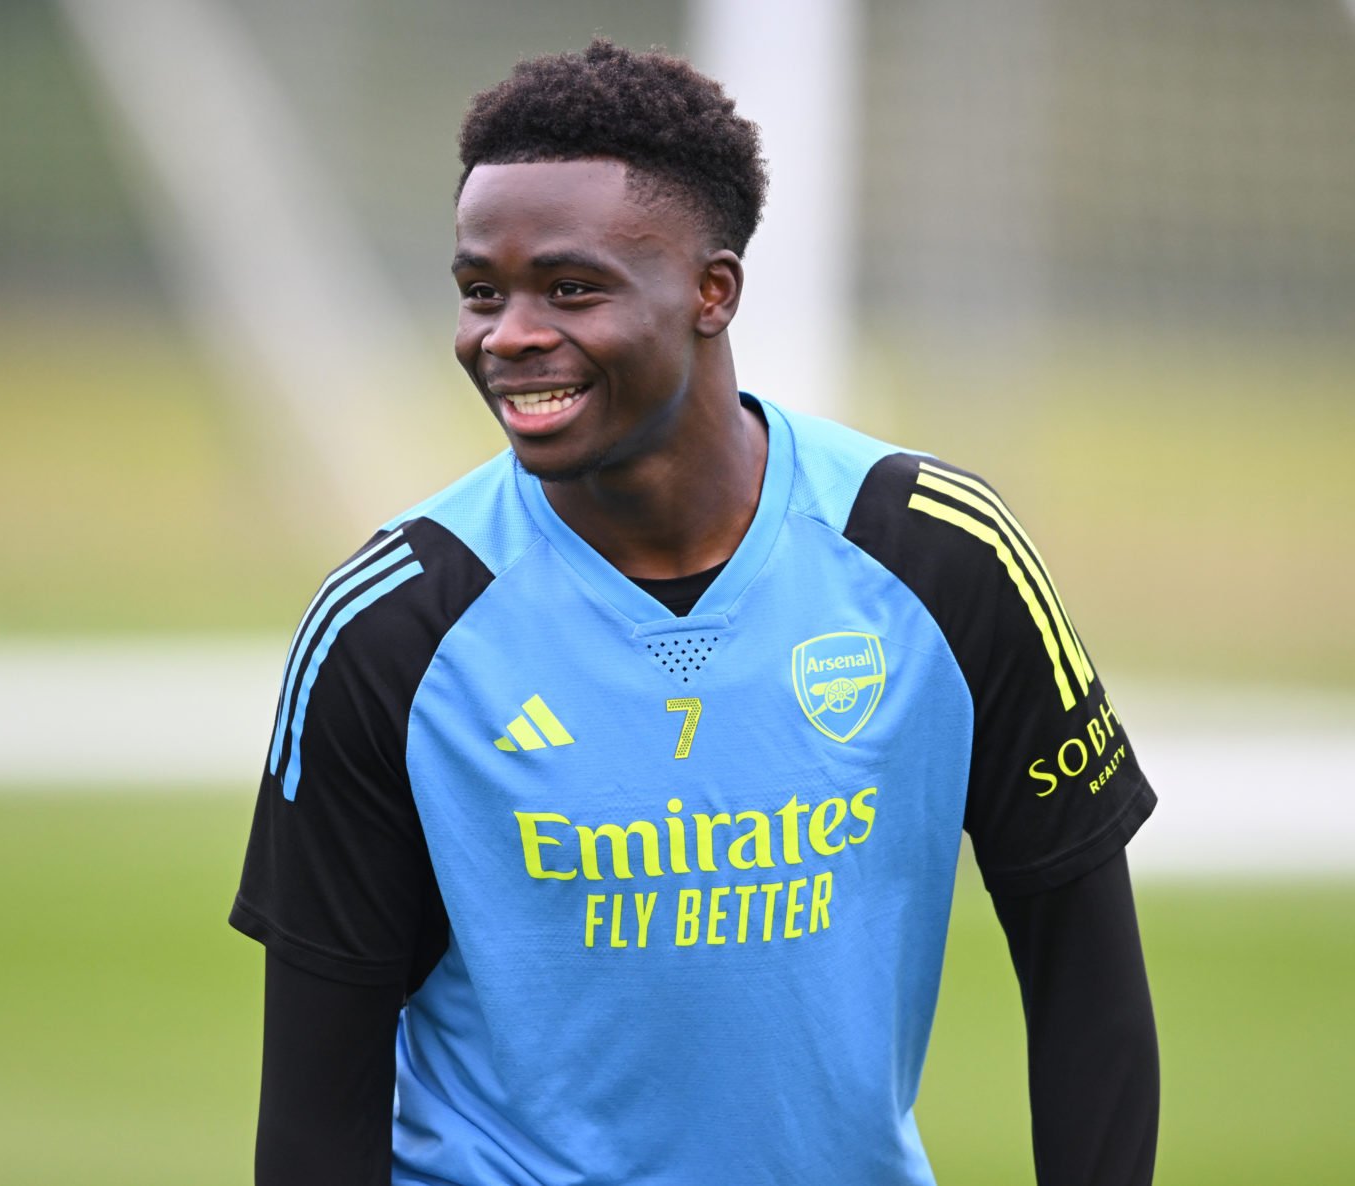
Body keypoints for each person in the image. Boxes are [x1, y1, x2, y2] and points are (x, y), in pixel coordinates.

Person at [231, 40, 1159, 1186]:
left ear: (712, 291)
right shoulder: (394, 625)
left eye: (570, 287)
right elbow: (317, 1102)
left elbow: (1090, 992)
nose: (508, 333)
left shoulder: (938, 555)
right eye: (483, 291)